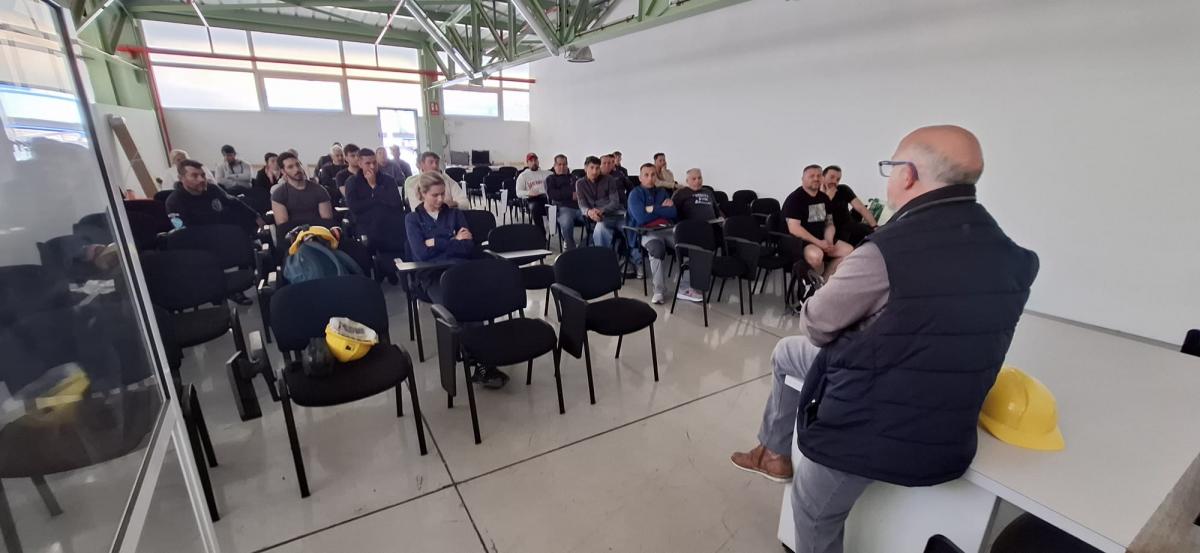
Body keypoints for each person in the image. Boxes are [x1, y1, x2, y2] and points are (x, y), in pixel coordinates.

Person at [731, 125, 1038, 553]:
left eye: (890, 167)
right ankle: (773, 451)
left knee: (812, 510)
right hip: (952, 420)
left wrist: (842, 291)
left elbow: (817, 324)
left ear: (908, 174)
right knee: (787, 353)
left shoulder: (886, 251)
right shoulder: (1012, 255)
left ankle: (775, 453)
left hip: (872, 422)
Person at [165, 159, 264, 305]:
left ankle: (235, 289)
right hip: (198, 246)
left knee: (246, 243)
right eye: (194, 176)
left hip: (223, 237)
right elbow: (182, 233)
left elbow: (234, 202)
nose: (201, 179)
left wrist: (255, 216)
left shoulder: (212, 190)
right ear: (182, 179)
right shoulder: (174, 201)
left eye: (203, 175)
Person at [781, 164, 854, 287]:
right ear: (803, 179)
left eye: (819, 175)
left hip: (821, 238)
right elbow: (794, 228)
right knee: (817, 255)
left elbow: (829, 223)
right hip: (799, 241)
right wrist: (819, 243)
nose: (816, 178)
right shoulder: (795, 199)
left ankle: (822, 283)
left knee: (848, 251)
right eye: (811, 176)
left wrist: (828, 240)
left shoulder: (823, 198)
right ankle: (807, 288)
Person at [345, 147, 406, 284]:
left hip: (388, 221)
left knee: (398, 230)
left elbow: (396, 202)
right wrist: (379, 198)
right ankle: (382, 269)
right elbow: (355, 207)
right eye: (368, 163)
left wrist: (374, 187)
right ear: (360, 164)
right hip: (366, 223)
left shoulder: (388, 180)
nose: (372, 166)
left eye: (374, 163)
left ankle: (387, 268)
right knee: (374, 234)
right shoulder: (352, 182)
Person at [626, 163, 678, 304]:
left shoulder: (661, 192)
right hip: (646, 232)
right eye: (646, 175)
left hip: (665, 229)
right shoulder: (635, 194)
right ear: (640, 178)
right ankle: (659, 291)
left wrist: (652, 209)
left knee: (686, 243)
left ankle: (686, 286)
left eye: (653, 174)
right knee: (656, 248)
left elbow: (673, 212)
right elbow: (641, 218)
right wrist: (661, 209)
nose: (650, 178)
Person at [270, 151, 332, 234]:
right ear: (283, 171)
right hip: (293, 236)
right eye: (290, 167)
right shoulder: (279, 194)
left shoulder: (319, 190)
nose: (297, 169)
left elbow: (327, 220)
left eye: (298, 165)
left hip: (318, 233)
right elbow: (283, 226)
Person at [820, 166, 878, 247]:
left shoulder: (843, 189)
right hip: (833, 234)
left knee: (875, 235)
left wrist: (875, 226)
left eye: (837, 179)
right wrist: (828, 198)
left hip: (850, 225)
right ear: (822, 177)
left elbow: (861, 208)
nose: (834, 181)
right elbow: (817, 221)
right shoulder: (813, 194)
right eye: (832, 177)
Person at [576, 155, 624, 249]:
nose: (595, 171)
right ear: (585, 168)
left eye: (597, 168)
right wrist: (589, 212)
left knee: (630, 229)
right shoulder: (580, 183)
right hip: (598, 217)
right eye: (592, 168)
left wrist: (601, 210)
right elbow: (582, 204)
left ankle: (635, 257)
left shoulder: (609, 179)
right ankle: (603, 255)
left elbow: (615, 202)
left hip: (615, 214)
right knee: (601, 229)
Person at [546, 154, 588, 250]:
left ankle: (583, 247)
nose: (562, 167)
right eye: (559, 164)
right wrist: (570, 194)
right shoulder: (551, 179)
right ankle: (570, 247)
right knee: (567, 222)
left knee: (594, 221)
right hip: (562, 208)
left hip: (579, 207)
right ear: (554, 166)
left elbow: (581, 191)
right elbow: (553, 194)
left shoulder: (573, 178)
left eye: (564, 164)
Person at [515, 152, 551, 235]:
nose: (534, 162)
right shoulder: (523, 176)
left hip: (547, 198)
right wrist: (529, 192)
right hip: (532, 199)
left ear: (538, 161)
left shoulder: (547, 173)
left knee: (559, 206)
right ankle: (541, 233)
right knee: (535, 208)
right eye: (531, 161)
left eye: (535, 160)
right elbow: (518, 192)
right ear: (527, 163)